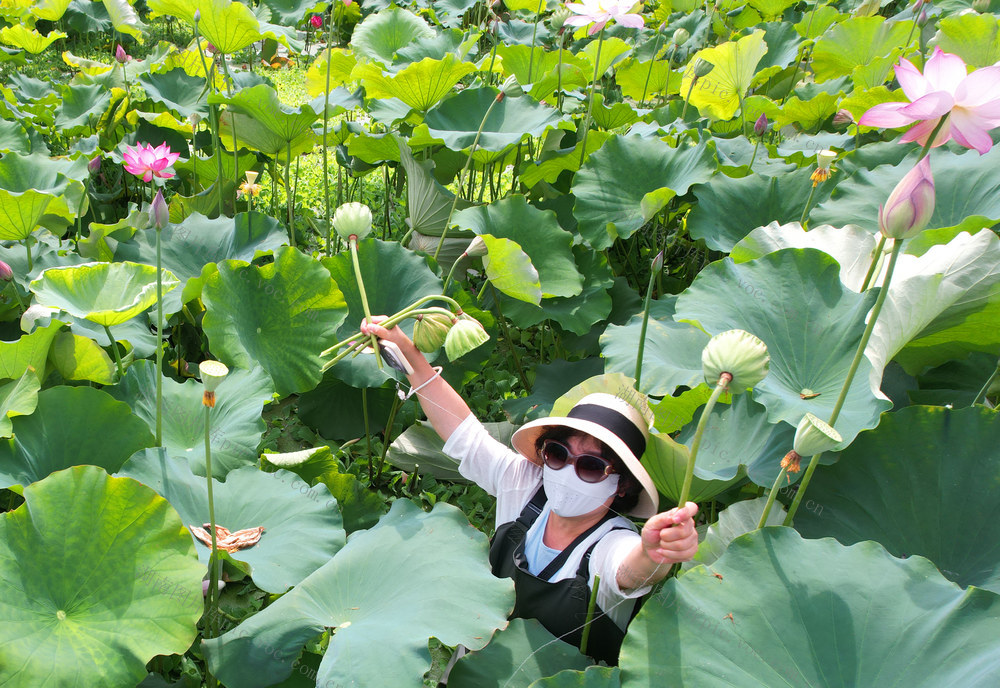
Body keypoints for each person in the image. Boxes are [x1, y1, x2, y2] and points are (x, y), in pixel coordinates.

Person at [361, 318, 700, 664]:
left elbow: (627, 572)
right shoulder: (525, 485)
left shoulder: (612, 543)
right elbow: (466, 437)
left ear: (623, 483)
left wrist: (654, 553)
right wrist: (406, 351)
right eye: (558, 454)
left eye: (590, 465)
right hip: (473, 671)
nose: (567, 472)